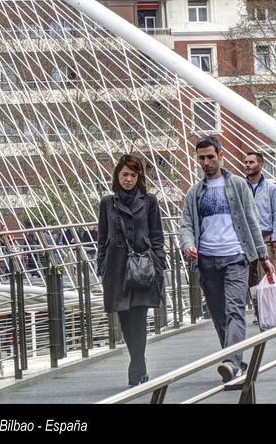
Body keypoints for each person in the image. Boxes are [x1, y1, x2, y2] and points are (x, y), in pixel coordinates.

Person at [179, 136, 274, 383]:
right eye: (201, 158)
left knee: (235, 310)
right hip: (207, 260)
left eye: (211, 156)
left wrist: (263, 256)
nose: (206, 162)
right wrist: (188, 244)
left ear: (220, 156)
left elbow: (252, 221)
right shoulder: (194, 192)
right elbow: (187, 224)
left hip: (235, 257)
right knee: (220, 315)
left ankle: (231, 362)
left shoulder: (239, 186)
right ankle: (234, 362)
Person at [97, 153, 166, 387]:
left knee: (139, 316)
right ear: (117, 176)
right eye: (125, 174)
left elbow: (157, 235)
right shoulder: (107, 203)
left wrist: (159, 264)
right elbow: (102, 238)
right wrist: (102, 266)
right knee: (125, 321)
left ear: (139, 177)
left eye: (133, 175)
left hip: (143, 268)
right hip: (116, 270)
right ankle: (139, 362)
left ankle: (136, 368)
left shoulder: (149, 201)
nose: (128, 179)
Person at [241, 151, 276, 325]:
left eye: (251, 162)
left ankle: (273, 307)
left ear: (261, 165)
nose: (247, 165)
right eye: (245, 162)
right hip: (246, 237)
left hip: (266, 235)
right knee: (250, 276)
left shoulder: (271, 187)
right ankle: (258, 310)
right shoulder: (241, 187)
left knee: (268, 272)